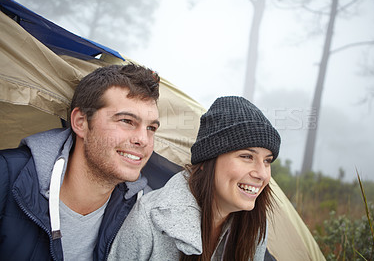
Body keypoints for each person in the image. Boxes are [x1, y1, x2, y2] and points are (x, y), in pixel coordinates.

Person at [0, 64, 160, 260]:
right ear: (81, 122)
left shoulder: (145, 212)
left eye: (151, 128)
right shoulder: (6, 177)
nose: (143, 139)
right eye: (127, 121)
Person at [108, 96, 281, 261]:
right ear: (207, 161)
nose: (262, 174)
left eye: (267, 161)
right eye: (247, 157)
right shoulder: (148, 220)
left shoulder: (255, 224)